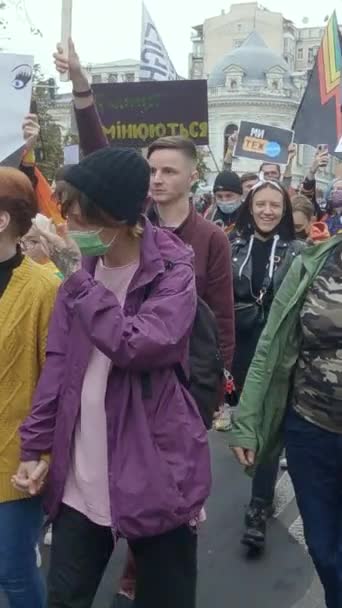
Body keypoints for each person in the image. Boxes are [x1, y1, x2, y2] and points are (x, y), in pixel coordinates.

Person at [14, 146, 211, 608]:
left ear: (118, 216)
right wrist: (35, 448)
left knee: (167, 598)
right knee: (65, 597)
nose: (71, 230)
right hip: (81, 480)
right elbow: (58, 368)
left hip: (156, 473)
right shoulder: (81, 274)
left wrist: (76, 278)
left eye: (80, 220)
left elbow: (136, 345)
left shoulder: (172, 271)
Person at [54, 38, 235, 374]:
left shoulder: (209, 239)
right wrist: (81, 85)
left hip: (178, 373)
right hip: (107, 367)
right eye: (152, 170)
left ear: (193, 176)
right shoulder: (123, 223)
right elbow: (100, 161)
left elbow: (222, 316)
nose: (158, 179)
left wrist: (219, 380)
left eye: (169, 171)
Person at [229, 233, 342, 608]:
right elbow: (270, 345)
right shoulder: (313, 262)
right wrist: (246, 420)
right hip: (311, 430)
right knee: (325, 549)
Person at [230, 180, 305, 551]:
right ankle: (259, 493)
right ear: (251, 206)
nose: (267, 211)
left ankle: (258, 506)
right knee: (251, 423)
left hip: (280, 352)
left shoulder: (299, 252)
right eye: (261, 204)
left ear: (285, 210)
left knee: (271, 425)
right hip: (243, 350)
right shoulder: (232, 246)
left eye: (275, 205)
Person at [0, 167, 60, 607]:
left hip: (15, 462)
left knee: (14, 571)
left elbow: (57, 384)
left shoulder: (45, 288)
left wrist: (44, 456)